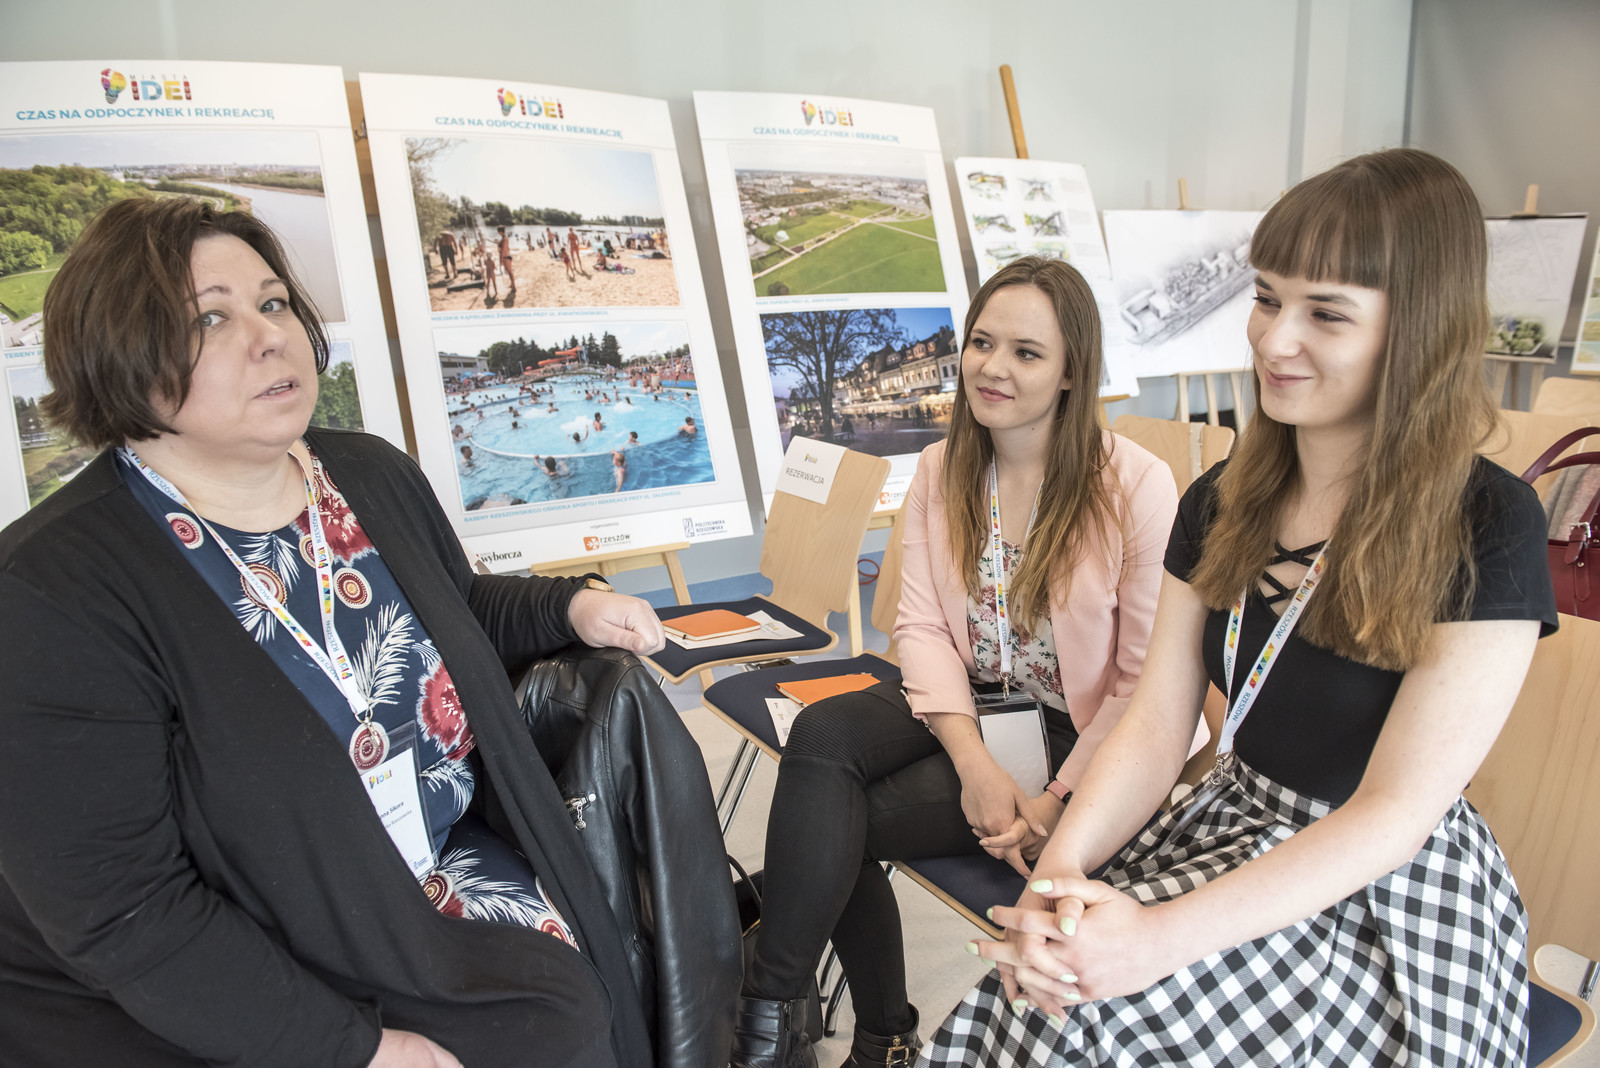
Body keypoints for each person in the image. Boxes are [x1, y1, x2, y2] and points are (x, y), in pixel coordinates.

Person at [0, 196, 734, 1068]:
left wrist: (567, 606)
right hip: (270, 960)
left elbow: (451, 608)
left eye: (274, 303)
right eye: (210, 318)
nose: (269, 337)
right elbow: (123, 911)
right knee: (556, 1027)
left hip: (437, 868)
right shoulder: (52, 590)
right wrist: (358, 1049)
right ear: (115, 350)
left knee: (596, 992)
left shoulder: (366, 472)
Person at [924, 149, 1556, 1067]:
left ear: (1419, 329)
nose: (1272, 340)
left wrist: (1156, 939)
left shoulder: (1488, 519)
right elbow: (1157, 723)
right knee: (1042, 992)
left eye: (1325, 314)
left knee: (1098, 1024)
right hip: (1232, 819)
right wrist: (1058, 877)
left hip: (1380, 892)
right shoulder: (1223, 498)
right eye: (1266, 299)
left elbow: (1393, 814)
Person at [729, 257, 1184, 1068]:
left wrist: (1059, 804)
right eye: (981, 342)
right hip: (968, 699)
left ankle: (857, 1035)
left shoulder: (1137, 486)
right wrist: (973, 763)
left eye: (1026, 352)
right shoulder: (944, 468)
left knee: (838, 826)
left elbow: (1145, 686)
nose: (992, 367)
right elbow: (923, 626)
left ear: (1072, 371)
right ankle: (774, 1011)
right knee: (822, 736)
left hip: (1077, 733)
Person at [496, 226, 516, 295]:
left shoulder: (504, 239)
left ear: (501, 232)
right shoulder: (503, 239)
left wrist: (501, 260)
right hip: (506, 256)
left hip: (506, 257)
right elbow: (505, 247)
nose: (498, 233)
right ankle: (512, 284)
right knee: (508, 271)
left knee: (510, 272)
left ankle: (514, 286)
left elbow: (503, 249)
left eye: (499, 231)